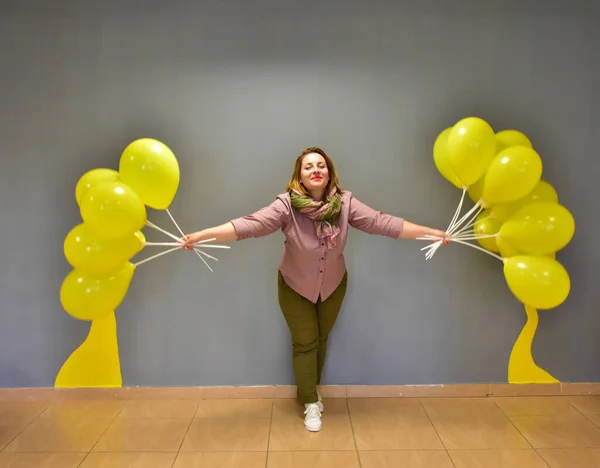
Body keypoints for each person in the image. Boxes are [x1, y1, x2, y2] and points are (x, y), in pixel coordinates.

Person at [182, 147, 449, 432]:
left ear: (330, 172)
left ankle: (308, 391)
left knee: (321, 339)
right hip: (294, 286)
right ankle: (310, 402)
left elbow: (382, 222)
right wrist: (201, 236)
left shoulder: (345, 204)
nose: (315, 170)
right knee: (306, 341)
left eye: (320, 165)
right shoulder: (286, 206)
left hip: (333, 285)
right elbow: (250, 225)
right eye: (308, 167)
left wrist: (432, 233)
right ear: (299, 176)